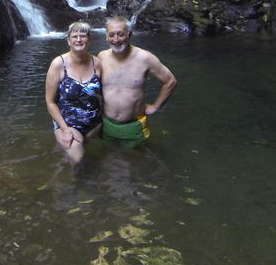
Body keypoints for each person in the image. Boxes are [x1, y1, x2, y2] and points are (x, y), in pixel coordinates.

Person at [97, 15, 177, 147]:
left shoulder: (145, 58)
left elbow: (170, 81)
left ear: (130, 34)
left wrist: (156, 107)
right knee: (108, 157)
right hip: (107, 123)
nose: (116, 39)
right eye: (111, 35)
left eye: (120, 34)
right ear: (106, 37)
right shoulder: (102, 56)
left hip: (134, 124)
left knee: (137, 161)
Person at [45, 21, 103, 164]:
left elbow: (105, 93)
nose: (78, 39)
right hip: (68, 124)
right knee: (79, 161)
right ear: (68, 40)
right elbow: (50, 102)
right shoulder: (58, 64)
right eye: (74, 36)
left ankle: (60, 170)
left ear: (89, 39)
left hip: (94, 125)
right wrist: (65, 130)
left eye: (82, 36)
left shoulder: (97, 63)